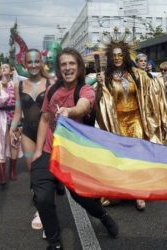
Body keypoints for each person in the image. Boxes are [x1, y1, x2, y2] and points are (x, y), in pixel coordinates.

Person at [31, 48, 119, 249]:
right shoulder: (52, 90)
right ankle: (54, 243)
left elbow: (83, 106)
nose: (68, 68)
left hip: (74, 156)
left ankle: (103, 215)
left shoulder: (85, 90)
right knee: (42, 198)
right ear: (59, 68)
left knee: (82, 197)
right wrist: (38, 151)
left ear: (79, 67)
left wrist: (70, 111)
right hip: (49, 151)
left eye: (72, 64)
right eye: (63, 64)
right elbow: (45, 119)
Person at [96, 33, 167, 211]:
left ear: (125, 56)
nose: (117, 58)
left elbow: (154, 87)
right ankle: (121, 191)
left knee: (138, 156)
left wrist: (166, 76)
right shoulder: (105, 77)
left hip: (136, 119)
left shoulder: (136, 74)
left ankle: (139, 193)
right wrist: (100, 86)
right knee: (121, 158)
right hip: (117, 123)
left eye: (120, 55)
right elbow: (100, 103)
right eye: (113, 56)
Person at [9, 49, 53, 231]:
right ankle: (40, 209)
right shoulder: (19, 86)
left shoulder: (51, 83)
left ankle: (45, 204)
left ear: (41, 62)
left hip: (48, 133)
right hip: (27, 132)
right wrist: (12, 130)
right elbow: (18, 112)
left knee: (46, 170)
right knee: (32, 169)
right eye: (30, 62)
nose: (33, 65)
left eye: (36, 61)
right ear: (24, 64)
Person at [0, 63, 21, 185]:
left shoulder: (16, 84)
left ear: (11, 71)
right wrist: (3, 87)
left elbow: (19, 103)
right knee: (0, 143)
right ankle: (2, 175)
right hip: (1, 116)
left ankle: (12, 170)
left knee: (14, 142)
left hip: (14, 115)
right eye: (2, 67)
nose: (4, 68)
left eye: (6, 67)